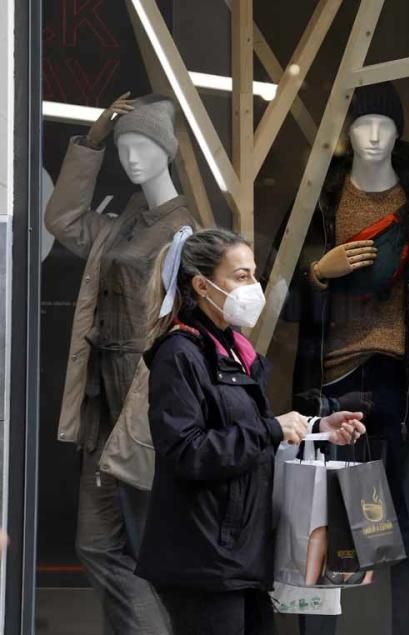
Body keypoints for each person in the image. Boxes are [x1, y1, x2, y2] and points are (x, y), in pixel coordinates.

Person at [280, 82, 409, 635]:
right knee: (320, 529)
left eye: (384, 124)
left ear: (399, 133)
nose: (373, 135)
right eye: (362, 124)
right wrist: (319, 273)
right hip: (331, 386)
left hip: (407, 384)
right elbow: (276, 300)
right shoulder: (319, 202)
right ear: (347, 135)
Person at [135, 227, 366, 635]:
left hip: (242, 553)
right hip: (204, 558)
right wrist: (270, 430)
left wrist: (313, 428)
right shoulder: (180, 354)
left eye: (254, 275)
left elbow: (248, 434)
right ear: (202, 286)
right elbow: (187, 452)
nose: (254, 288)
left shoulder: (235, 352)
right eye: (240, 277)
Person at [44, 92, 199, 634]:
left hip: (144, 413)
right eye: (124, 146)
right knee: (97, 544)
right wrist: (92, 142)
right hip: (100, 409)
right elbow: (62, 218)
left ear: (167, 150)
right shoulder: (122, 222)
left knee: (142, 547)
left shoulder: (186, 235)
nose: (131, 157)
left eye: (143, 144)